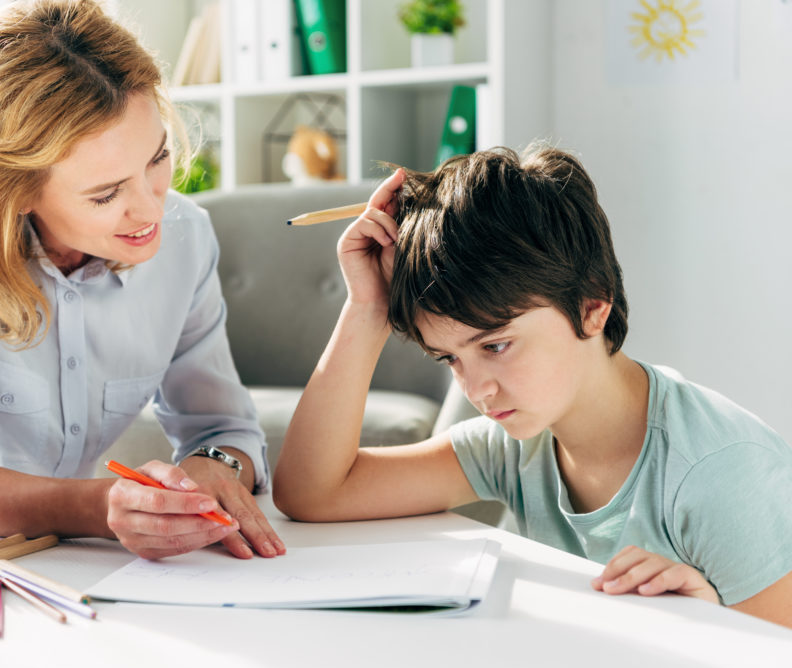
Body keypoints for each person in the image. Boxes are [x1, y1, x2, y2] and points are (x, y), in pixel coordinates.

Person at [0, 0, 285, 561]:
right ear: (15, 191)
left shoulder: (186, 237)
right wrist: (100, 507)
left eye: (158, 158)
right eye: (105, 194)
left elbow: (225, 428)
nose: (150, 210)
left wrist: (210, 470)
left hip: (61, 564)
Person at [272, 146, 792, 627]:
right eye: (451, 358)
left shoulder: (721, 478)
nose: (478, 390)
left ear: (593, 307)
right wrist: (368, 308)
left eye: (495, 346)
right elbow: (313, 492)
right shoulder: (519, 447)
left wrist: (712, 628)